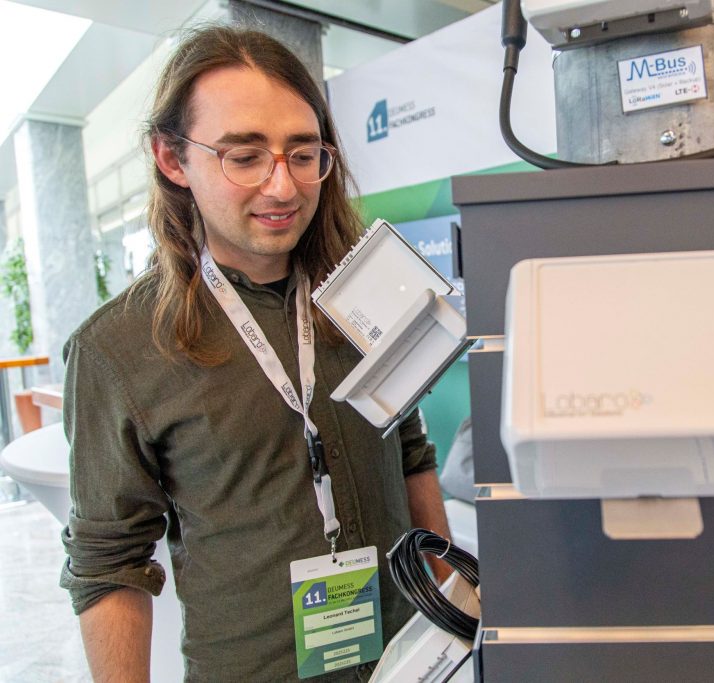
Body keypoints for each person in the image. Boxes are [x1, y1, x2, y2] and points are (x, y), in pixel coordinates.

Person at [60, 25, 451, 682]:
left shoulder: (370, 292)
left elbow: (410, 453)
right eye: (244, 157)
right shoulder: (118, 348)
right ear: (172, 158)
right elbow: (109, 562)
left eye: (303, 154)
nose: (283, 187)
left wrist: (450, 613)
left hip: (408, 663)